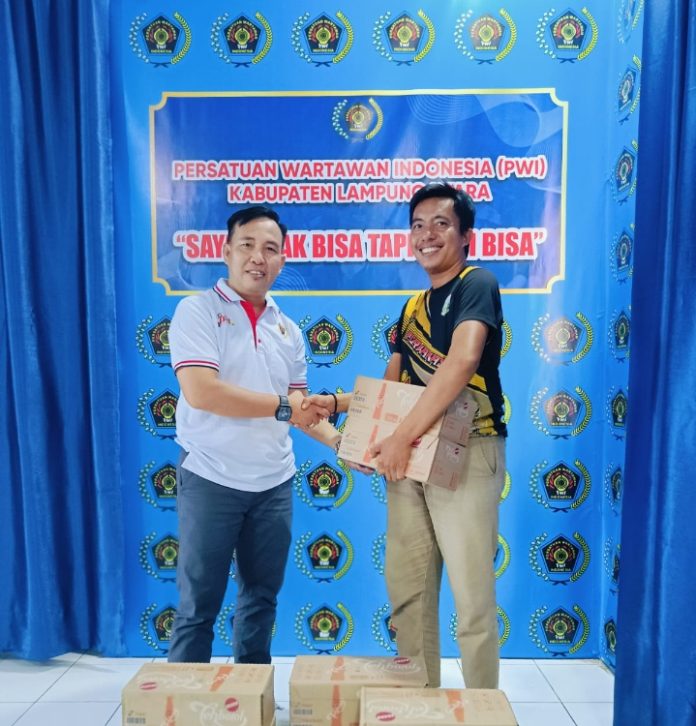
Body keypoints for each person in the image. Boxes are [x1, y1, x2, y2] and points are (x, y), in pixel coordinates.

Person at [306, 182, 507, 688]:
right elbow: (390, 389)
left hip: (467, 450)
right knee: (410, 594)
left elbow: (461, 363)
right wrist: (337, 407)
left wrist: (398, 441)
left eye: (441, 224)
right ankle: (420, 703)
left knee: (472, 600)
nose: (427, 235)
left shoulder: (477, 284)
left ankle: (482, 710)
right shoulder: (412, 306)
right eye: (417, 225)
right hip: (410, 460)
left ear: (465, 234)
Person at [167, 205, 331, 664]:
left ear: (282, 260)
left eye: (270, 249)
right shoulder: (196, 311)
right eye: (247, 245)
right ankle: (186, 699)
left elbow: (302, 411)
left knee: (261, 599)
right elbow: (202, 392)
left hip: (273, 484)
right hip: (211, 477)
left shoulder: (288, 329)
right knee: (198, 606)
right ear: (226, 252)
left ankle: (253, 694)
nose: (258, 257)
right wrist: (284, 406)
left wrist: (344, 445)